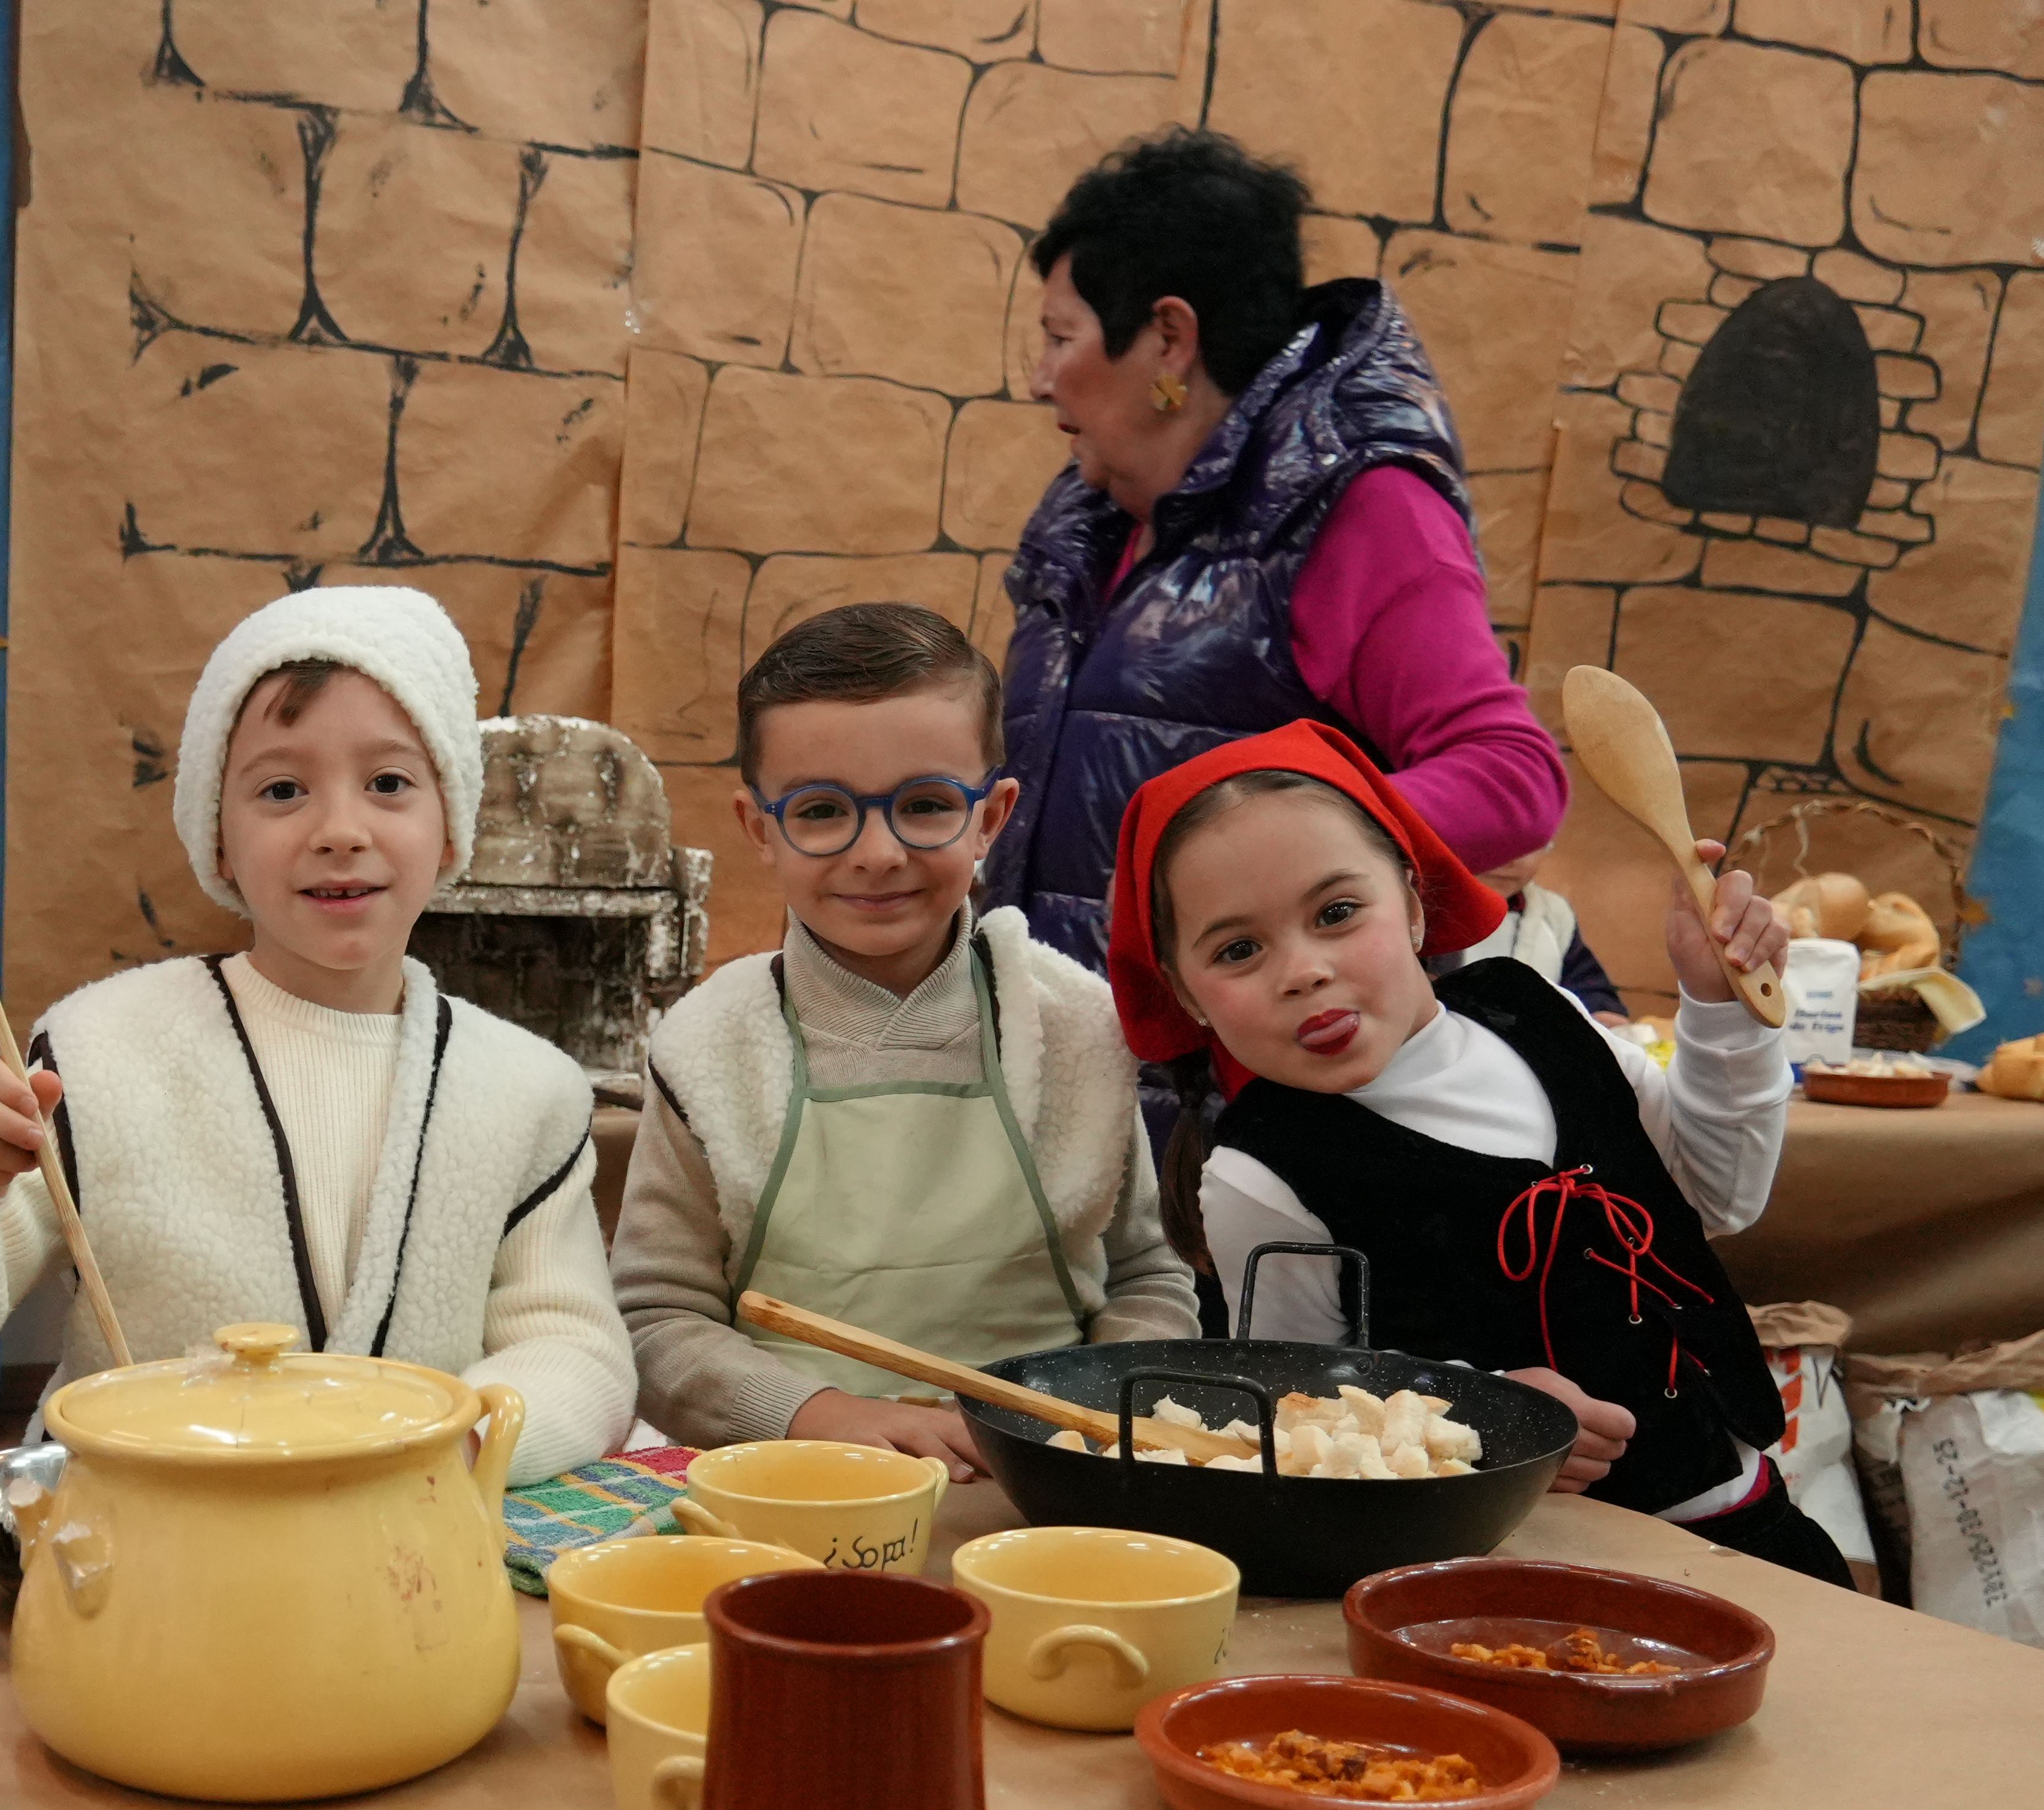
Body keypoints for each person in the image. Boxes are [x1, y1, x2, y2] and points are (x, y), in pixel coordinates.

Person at [0, 585, 632, 1484]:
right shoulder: (100, 1051)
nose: (340, 831)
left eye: (390, 784)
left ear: (452, 825)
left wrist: (445, 1449)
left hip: (409, 1547)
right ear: (216, 838)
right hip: (145, 1552)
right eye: (283, 789)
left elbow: (577, 1354)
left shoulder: (528, 1091)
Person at [1102, 719, 1850, 1584]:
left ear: (1415, 901)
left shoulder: (1542, 1014)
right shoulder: (1259, 1176)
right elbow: (1300, 1416)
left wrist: (1719, 1008)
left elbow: (1719, 1198)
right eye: (1239, 950)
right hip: (1521, 1575)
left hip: (1751, 1524)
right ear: (1186, 993)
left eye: (1338, 913)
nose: (1302, 969)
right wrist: (1480, 1409)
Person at [614, 604, 1198, 1481]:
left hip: (1044, 1485)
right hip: (793, 1489)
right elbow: (656, 1317)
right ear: (758, 828)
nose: (878, 852)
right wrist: (812, 1413)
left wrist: (1092, 1422)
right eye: (821, 811)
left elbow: (1148, 1278)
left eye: (925, 805)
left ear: (992, 817)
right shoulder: (711, 1046)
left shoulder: (1077, 1025)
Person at [986, 126, 1567, 971]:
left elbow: (1512, 776)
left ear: (1170, 340)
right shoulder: (1091, 528)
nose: (1040, 379)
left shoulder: (1358, 508)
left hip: (1257, 1092)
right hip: (1073, 1075)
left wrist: (1245, 867)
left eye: (1060, 336)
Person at [1446, 846, 1628, 1021]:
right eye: (1489, 843)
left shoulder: (1553, 914)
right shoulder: (1426, 914)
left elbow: (1585, 983)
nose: (1509, 860)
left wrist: (1601, 1011)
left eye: (1528, 846)